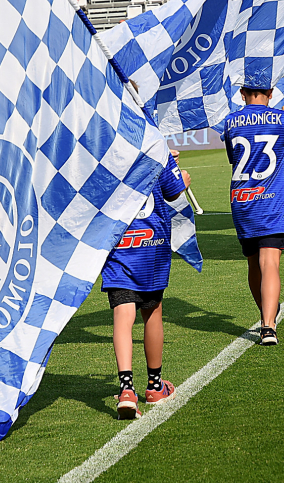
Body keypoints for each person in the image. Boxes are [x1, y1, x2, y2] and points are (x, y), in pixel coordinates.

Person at [103, 147, 190, 420]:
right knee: (152, 312)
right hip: (151, 244)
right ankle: (154, 386)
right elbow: (174, 189)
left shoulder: (103, 151)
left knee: (123, 313)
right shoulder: (155, 148)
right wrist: (181, 176)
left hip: (119, 243)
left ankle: (126, 390)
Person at [223, 79, 284, 345]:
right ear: (270, 93)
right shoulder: (281, 118)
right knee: (269, 261)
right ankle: (268, 326)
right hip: (271, 200)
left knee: (252, 262)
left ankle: (266, 313)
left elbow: (232, 158)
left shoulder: (230, 121)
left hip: (242, 199)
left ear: (242, 93)